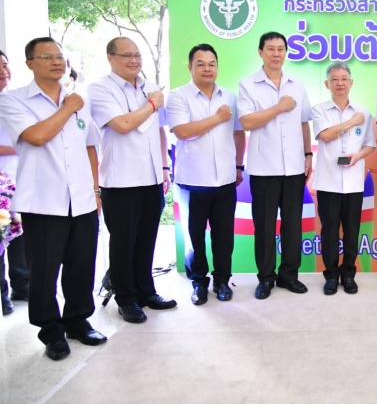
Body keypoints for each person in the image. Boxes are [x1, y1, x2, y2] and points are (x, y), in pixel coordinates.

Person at [0, 37, 105, 360]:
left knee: (81, 264)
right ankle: (51, 331)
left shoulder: (77, 100)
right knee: (44, 271)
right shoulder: (14, 101)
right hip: (43, 201)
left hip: (82, 199)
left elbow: (90, 146)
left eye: (60, 56)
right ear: (30, 63)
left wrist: (95, 189)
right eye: (47, 57)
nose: (57, 62)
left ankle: (78, 321)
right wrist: (68, 108)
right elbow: (37, 136)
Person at [88, 37, 176, 324]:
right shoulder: (100, 89)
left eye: (137, 55)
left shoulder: (150, 87)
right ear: (110, 57)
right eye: (127, 55)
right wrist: (152, 104)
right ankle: (125, 298)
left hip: (151, 177)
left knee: (146, 240)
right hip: (120, 180)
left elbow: (160, 131)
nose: (134, 60)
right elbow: (123, 124)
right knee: (124, 242)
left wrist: (164, 167)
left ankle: (145, 291)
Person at [166, 44, 245, 305]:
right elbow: (183, 131)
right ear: (190, 67)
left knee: (224, 236)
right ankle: (199, 283)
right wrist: (217, 117)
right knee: (194, 236)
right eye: (200, 64)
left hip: (224, 179)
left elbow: (237, 133)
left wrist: (238, 166)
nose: (207, 68)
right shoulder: (178, 97)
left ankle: (222, 281)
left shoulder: (230, 97)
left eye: (212, 63)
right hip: (192, 180)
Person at [237, 31, 312, 299]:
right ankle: (266, 278)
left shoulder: (297, 84)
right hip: (263, 169)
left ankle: (289, 276)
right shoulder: (248, 85)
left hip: (293, 167)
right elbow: (247, 122)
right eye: (270, 48)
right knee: (265, 226)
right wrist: (279, 107)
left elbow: (304, 122)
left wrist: (308, 154)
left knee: (293, 224)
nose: (276, 53)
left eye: (281, 49)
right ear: (260, 52)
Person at [311, 62, 376, 295]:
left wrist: (357, 156)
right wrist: (351, 123)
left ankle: (348, 274)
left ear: (351, 82)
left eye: (344, 78)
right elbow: (326, 136)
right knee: (329, 231)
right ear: (327, 84)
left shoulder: (364, 111)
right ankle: (331, 276)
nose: (340, 82)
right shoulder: (319, 110)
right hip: (328, 181)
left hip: (353, 182)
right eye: (335, 79)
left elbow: (370, 144)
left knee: (351, 231)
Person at [0, 49, 30, 316]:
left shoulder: (15, 101)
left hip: (19, 179)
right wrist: (23, 143)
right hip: (1, 182)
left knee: (20, 234)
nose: (3, 71)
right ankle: (3, 294)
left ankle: (22, 286)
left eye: (5, 65)